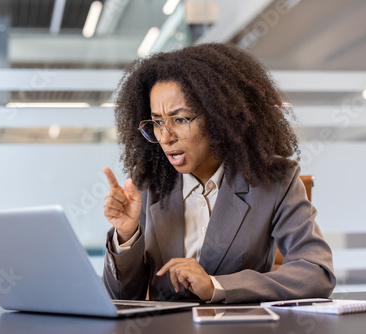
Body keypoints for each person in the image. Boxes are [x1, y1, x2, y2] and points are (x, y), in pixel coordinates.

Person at [102, 43, 335, 304]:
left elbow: (316, 273)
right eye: (157, 122)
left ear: (218, 117)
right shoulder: (147, 184)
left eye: (180, 119)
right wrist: (126, 235)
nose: (165, 137)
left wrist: (216, 286)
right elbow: (122, 298)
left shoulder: (274, 181)